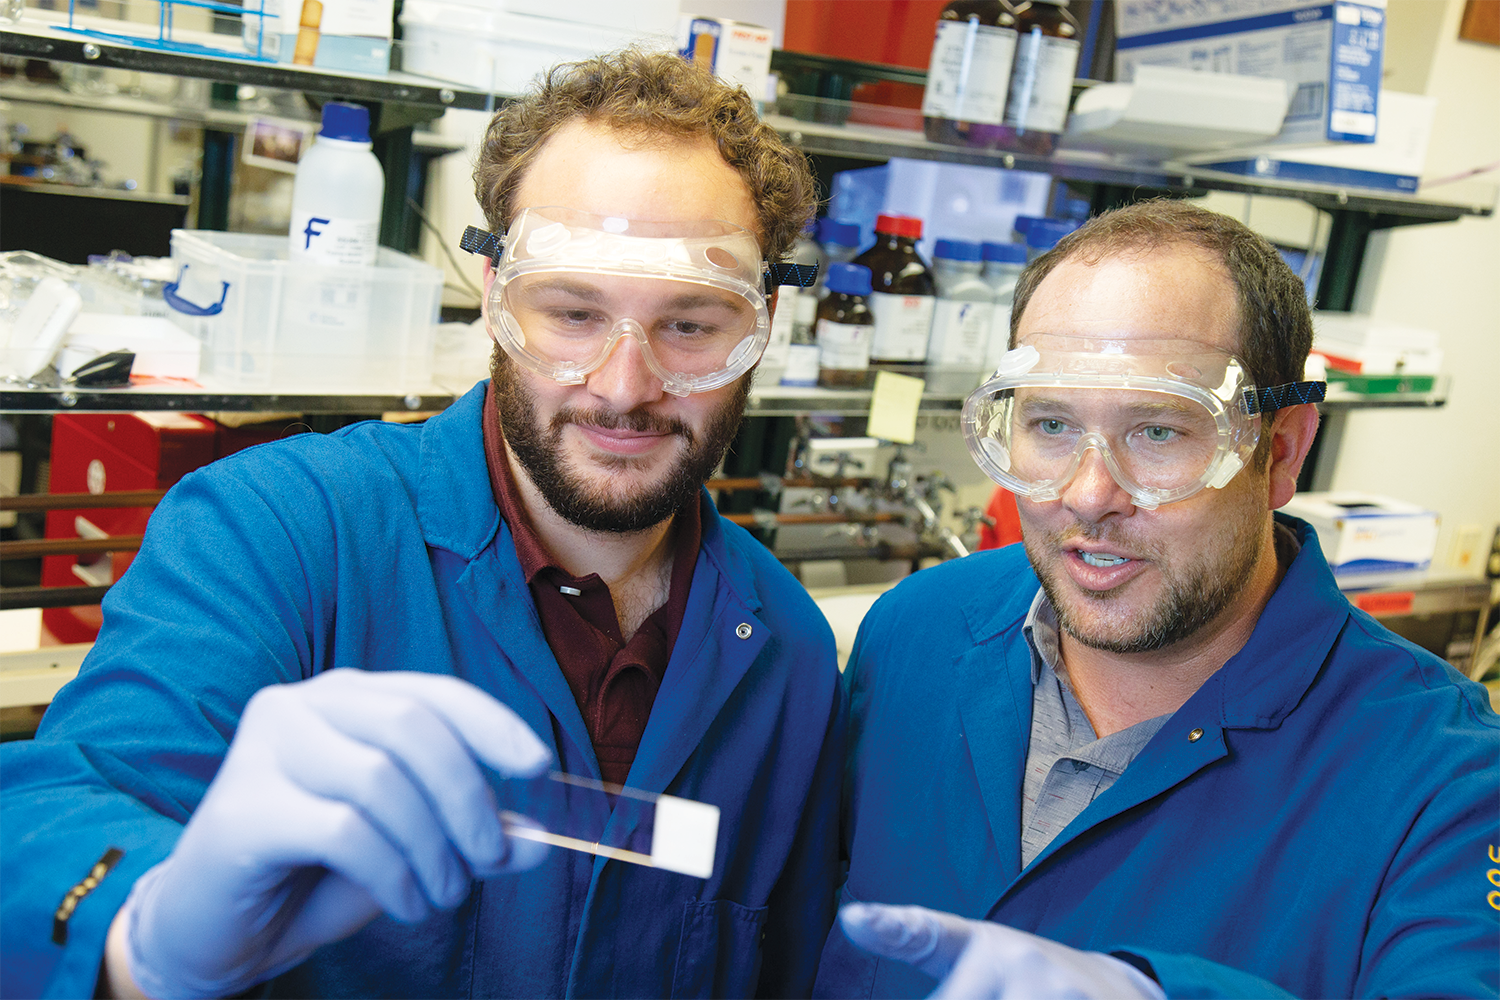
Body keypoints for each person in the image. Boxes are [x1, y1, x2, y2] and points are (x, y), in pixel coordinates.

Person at [0, 50, 844, 1000]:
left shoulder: (787, 649)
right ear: (493, 294)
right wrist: (144, 936)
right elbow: (62, 803)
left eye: (691, 324)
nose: (623, 386)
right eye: (571, 312)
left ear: (765, 321)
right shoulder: (277, 529)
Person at [813, 199, 1500, 1000]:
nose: (1089, 493)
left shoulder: (1446, 778)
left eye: (1160, 432)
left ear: (1279, 452)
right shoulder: (916, 632)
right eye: (1052, 424)